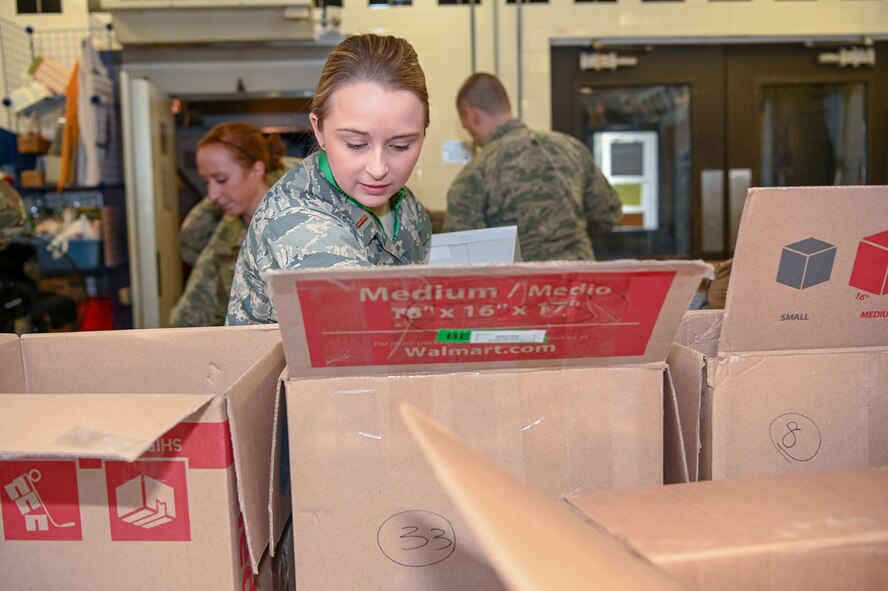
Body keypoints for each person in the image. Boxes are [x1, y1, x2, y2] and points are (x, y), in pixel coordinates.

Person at [226, 33, 432, 325]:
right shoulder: (297, 221)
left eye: (400, 146)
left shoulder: (407, 206)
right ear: (319, 130)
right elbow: (368, 335)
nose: (378, 168)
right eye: (356, 144)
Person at [445, 73, 622, 262]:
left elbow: (462, 258)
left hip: (521, 287)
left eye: (466, 128)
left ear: (471, 115)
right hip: (581, 283)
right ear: (508, 106)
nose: (472, 136)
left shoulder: (474, 174)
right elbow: (609, 215)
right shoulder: (572, 149)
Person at [170, 122, 286, 327]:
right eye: (207, 182)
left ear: (257, 170)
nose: (212, 195)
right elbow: (192, 312)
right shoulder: (226, 235)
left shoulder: (302, 218)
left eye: (221, 179)